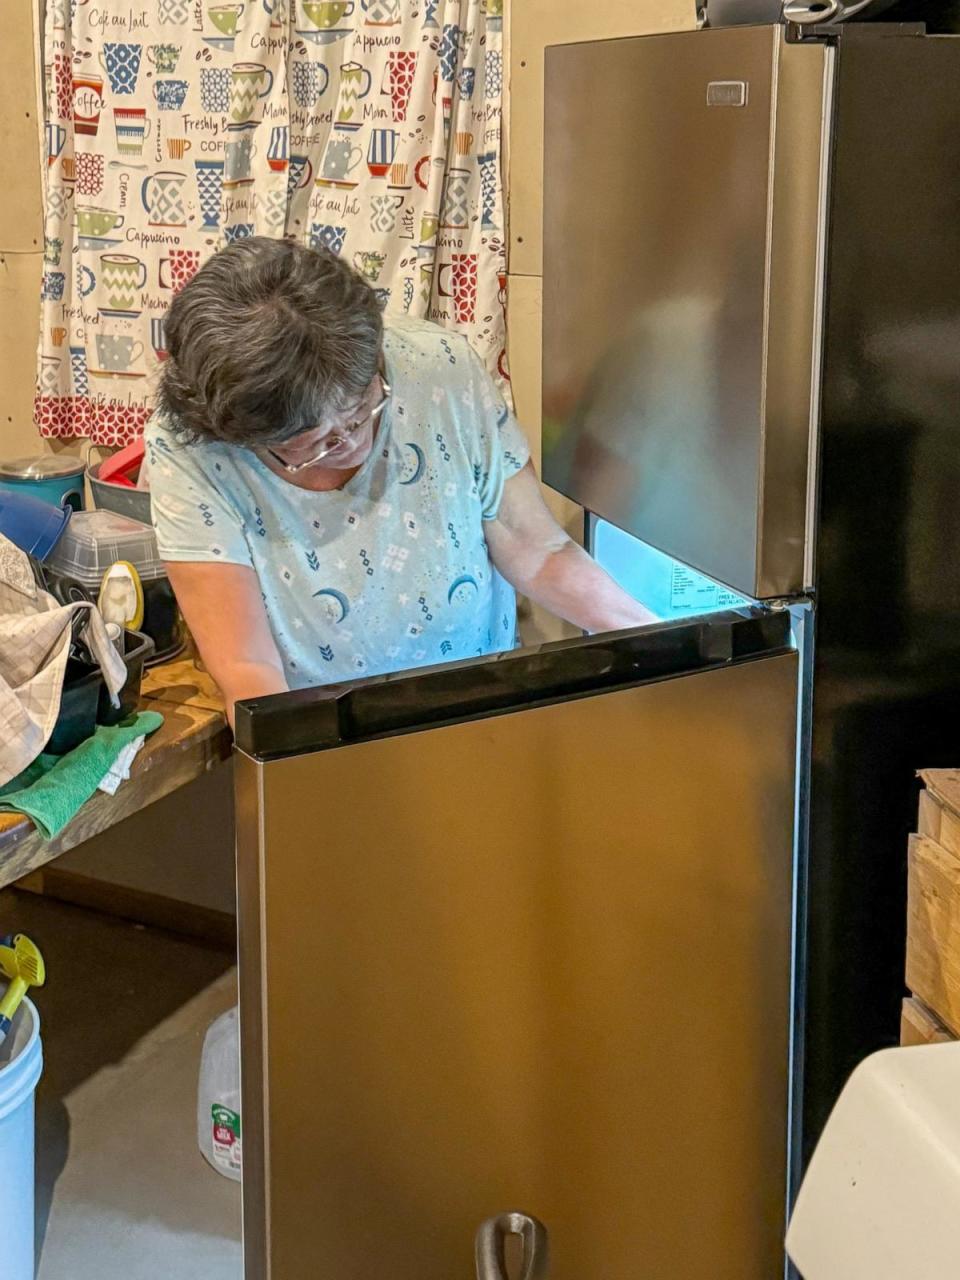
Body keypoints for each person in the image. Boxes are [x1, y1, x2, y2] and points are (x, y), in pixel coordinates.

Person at [145, 237, 657, 725]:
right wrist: (298, 763)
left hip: (484, 706)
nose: (354, 444)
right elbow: (248, 669)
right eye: (314, 443)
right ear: (238, 434)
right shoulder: (191, 448)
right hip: (322, 734)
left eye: (364, 408)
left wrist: (658, 641)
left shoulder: (440, 367)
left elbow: (538, 549)